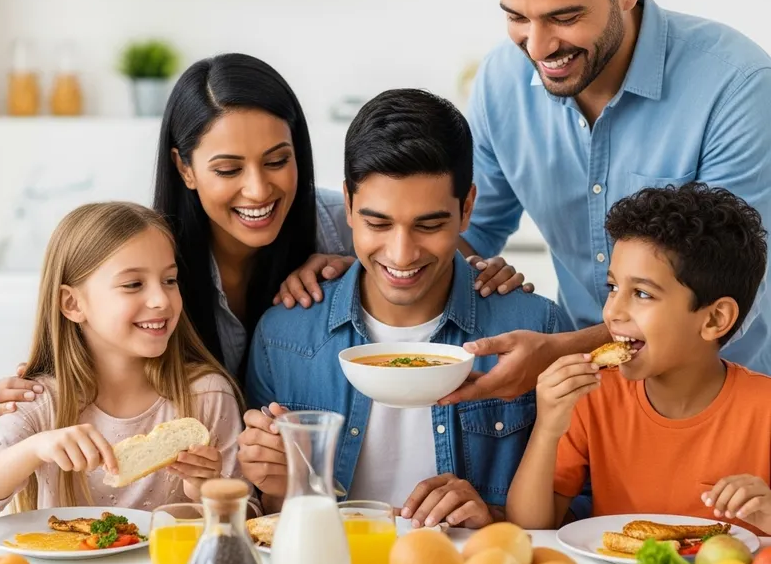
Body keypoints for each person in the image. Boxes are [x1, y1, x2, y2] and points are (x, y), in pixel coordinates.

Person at [0, 54, 514, 420]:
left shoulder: (337, 219)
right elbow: (82, 353)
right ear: (185, 168)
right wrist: (34, 392)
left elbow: (435, 241)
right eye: (228, 169)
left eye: (278, 161)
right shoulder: (149, 260)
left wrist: (489, 272)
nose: (258, 189)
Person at [449, 0, 771, 405]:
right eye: (516, 18)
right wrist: (347, 255)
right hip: (586, 405)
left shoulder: (737, 87)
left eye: (564, 17)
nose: (538, 46)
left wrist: (561, 350)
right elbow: (466, 234)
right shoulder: (501, 85)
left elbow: (728, 287)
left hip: (725, 405)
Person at [238, 88, 589, 529]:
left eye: (429, 224)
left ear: (466, 210)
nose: (402, 255)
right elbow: (260, 520)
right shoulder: (283, 335)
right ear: (347, 204)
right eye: (378, 223)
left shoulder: (536, 328)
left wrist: (494, 519)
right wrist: (275, 486)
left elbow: (581, 508)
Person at [506, 183, 771, 536]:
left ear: (714, 319)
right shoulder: (593, 396)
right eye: (613, 288)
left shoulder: (764, 410)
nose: (612, 311)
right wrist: (547, 428)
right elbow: (530, 528)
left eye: (642, 294)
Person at [0, 202, 243, 523]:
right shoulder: (38, 400)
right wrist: (33, 449)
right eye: (133, 284)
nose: (161, 299)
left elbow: (250, 519)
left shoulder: (206, 394)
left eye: (170, 280)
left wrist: (208, 490)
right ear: (72, 303)